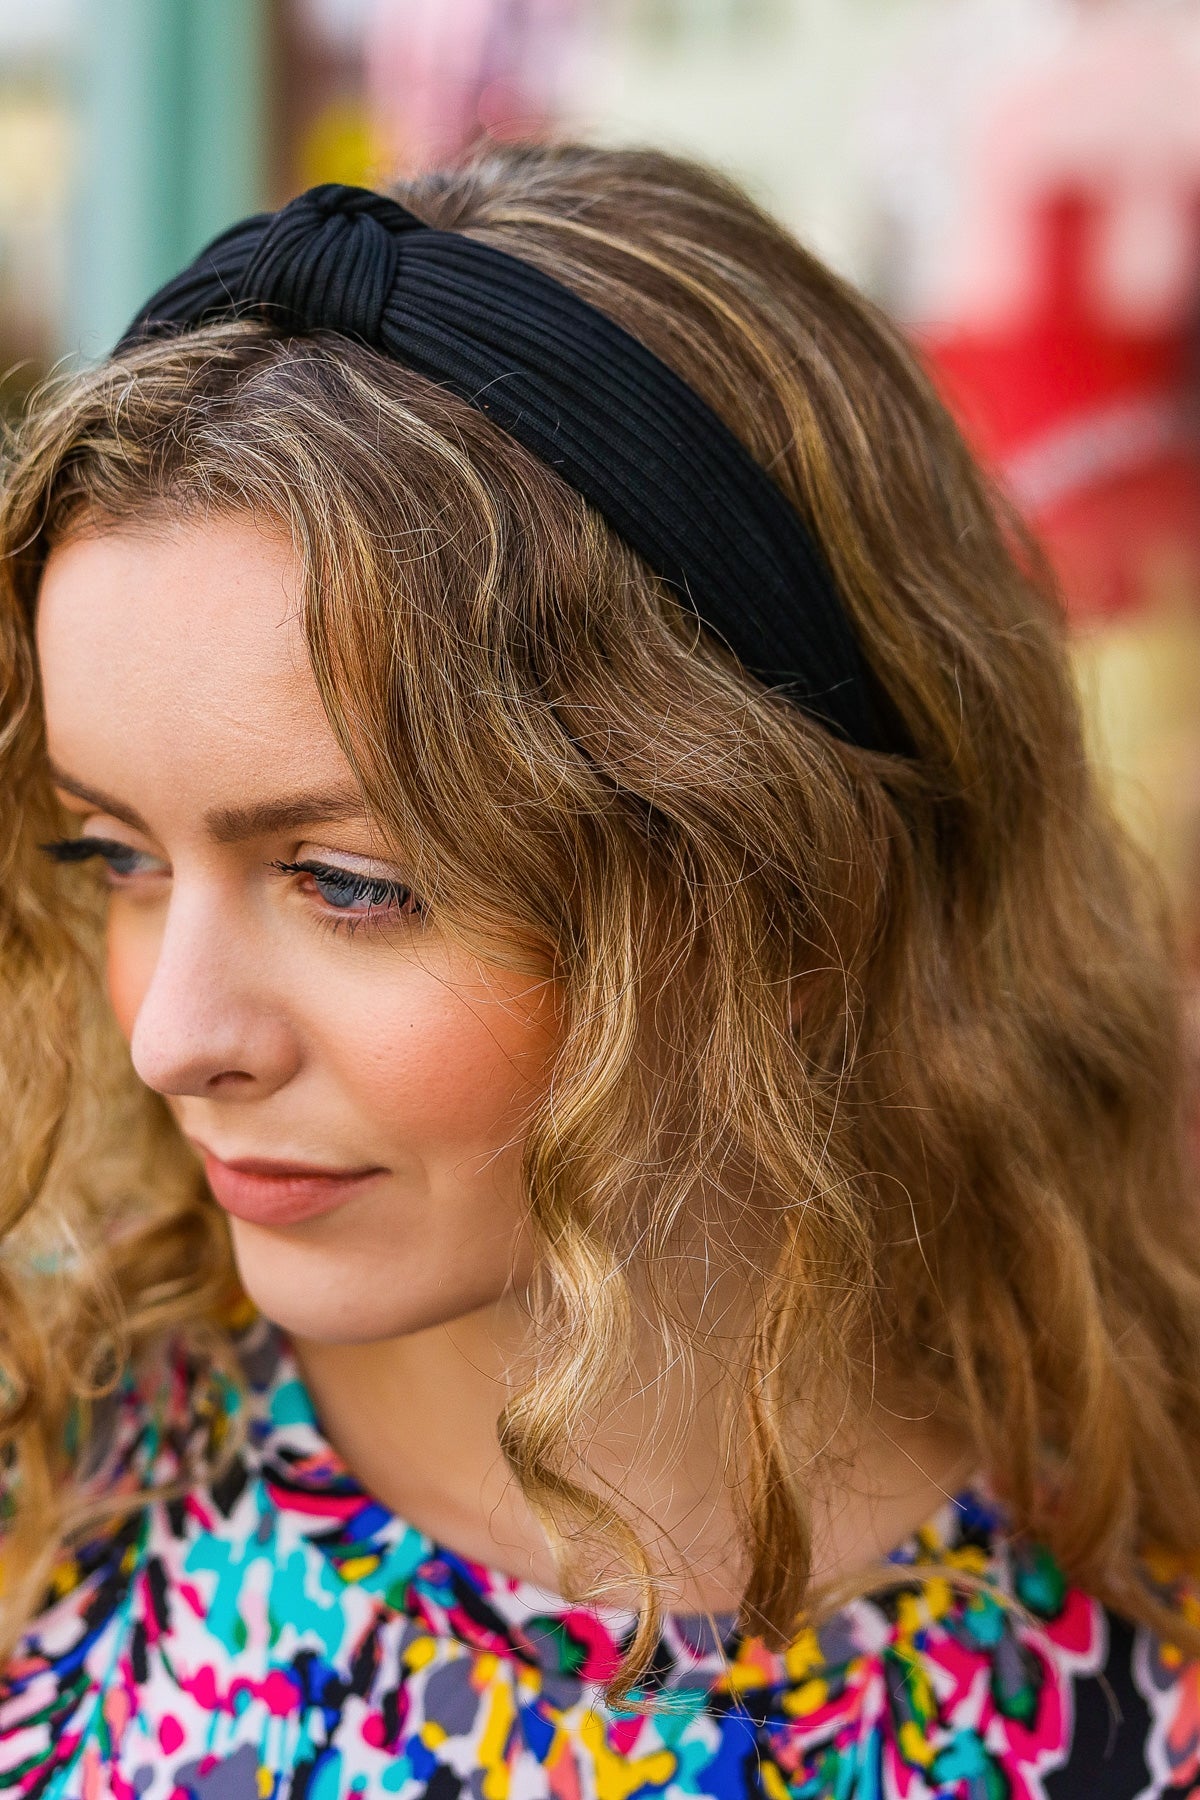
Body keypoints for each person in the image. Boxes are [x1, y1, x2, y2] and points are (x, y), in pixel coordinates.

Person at [0, 142, 1197, 1800]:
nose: (175, 1039)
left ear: (788, 897)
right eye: (116, 856)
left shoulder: (1144, 1628)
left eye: (346, 884)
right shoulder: (45, 1512)